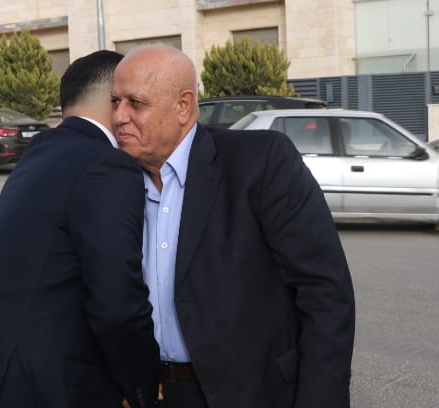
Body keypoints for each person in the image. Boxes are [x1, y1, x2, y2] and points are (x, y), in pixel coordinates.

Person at [111, 44, 356, 408]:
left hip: (251, 394)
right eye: (115, 101)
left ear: (183, 106)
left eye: (136, 103)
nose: (119, 116)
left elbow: (325, 294)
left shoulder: (259, 163)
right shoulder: (113, 181)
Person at [0, 50, 160, 408]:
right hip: (50, 387)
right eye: (134, 100)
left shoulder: (40, 152)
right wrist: (141, 383)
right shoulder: (106, 165)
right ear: (115, 99)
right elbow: (117, 301)